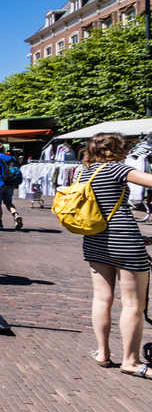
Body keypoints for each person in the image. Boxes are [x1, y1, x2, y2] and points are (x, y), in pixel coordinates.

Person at [75, 133, 152, 379]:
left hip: (95, 240)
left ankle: (102, 353)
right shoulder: (117, 169)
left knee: (101, 298)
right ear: (117, 148)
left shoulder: (82, 172)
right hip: (125, 240)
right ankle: (130, 361)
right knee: (132, 304)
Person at [0, 142, 23, 230]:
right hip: (10, 183)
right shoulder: (13, 158)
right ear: (3, 150)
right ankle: (15, 215)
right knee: (8, 202)